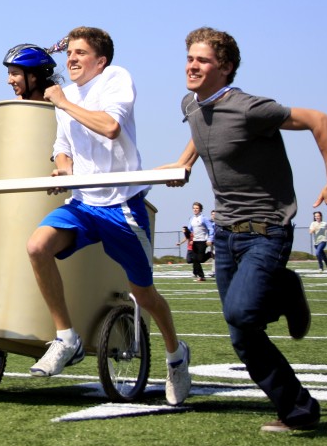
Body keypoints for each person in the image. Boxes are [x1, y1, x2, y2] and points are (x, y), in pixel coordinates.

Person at [161, 26, 327, 432]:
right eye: (190, 58)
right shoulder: (190, 103)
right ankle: (298, 409)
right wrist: (184, 162)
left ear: (225, 68)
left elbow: (320, 119)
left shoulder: (249, 107)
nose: (192, 65)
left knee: (241, 312)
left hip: (267, 229)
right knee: (242, 335)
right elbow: (199, 130)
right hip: (225, 233)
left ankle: (284, 288)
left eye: (203, 60)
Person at [25, 26, 191, 406]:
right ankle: (66, 337)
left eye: (81, 53)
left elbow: (111, 128)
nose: (71, 59)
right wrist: (63, 169)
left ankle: (175, 354)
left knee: (143, 295)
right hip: (83, 204)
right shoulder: (66, 100)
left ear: (100, 60)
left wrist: (63, 102)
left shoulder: (115, 79)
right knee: (37, 246)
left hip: (122, 206)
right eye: (70, 54)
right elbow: (62, 148)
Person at [189, 202, 210, 282]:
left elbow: (210, 229)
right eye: (194, 208)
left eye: (197, 208)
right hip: (195, 241)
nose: (195, 209)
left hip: (202, 240)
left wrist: (210, 239)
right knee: (195, 259)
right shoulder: (192, 218)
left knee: (200, 259)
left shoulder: (204, 218)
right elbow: (190, 229)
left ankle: (209, 254)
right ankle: (201, 276)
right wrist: (190, 239)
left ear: (200, 209)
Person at [206, 209, 217, 278]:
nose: (213, 216)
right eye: (212, 214)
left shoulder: (219, 222)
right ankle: (214, 271)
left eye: (214, 214)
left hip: (218, 241)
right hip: (212, 241)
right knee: (213, 256)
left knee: (216, 256)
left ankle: (214, 271)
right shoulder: (209, 222)